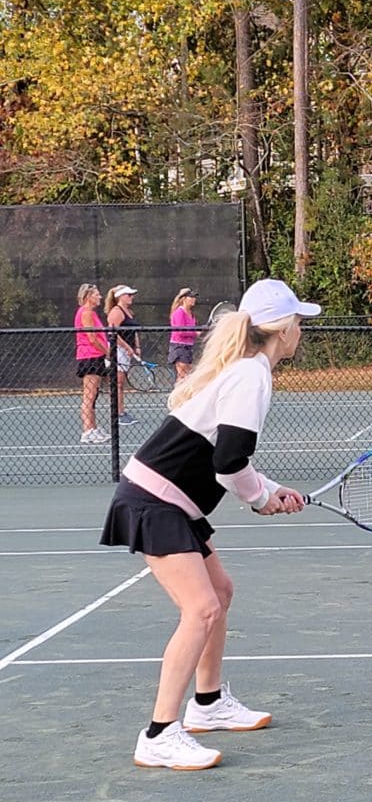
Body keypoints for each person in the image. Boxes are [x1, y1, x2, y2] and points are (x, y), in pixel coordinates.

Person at [100, 278, 321, 771]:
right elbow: (228, 463)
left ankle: (209, 703)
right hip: (154, 500)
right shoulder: (251, 375)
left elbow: (226, 456)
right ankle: (159, 734)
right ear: (283, 329)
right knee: (201, 609)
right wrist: (260, 499)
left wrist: (269, 488)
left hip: (174, 502)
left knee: (220, 592)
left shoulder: (247, 370)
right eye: (298, 322)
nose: (301, 330)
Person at [73, 282, 109, 444]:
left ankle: (93, 428)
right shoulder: (86, 313)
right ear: (88, 296)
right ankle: (87, 431)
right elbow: (92, 338)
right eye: (96, 294)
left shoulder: (91, 313)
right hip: (89, 357)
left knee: (93, 395)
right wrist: (108, 352)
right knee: (89, 396)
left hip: (96, 356)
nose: (100, 296)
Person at [104, 284, 141, 426]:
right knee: (117, 383)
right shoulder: (116, 312)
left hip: (126, 351)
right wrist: (127, 347)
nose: (132, 297)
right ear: (120, 297)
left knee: (120, 384)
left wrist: (136, 347)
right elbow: (113, 334)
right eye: (129, 295)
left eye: (132, 295)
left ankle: (121, 412)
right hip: (117, 351)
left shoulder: (129, 312)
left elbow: (134, 331)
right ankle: (118, 414)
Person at [168, 287, 199, 381]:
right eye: (191, 297)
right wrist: (195, 333)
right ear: (184, 298)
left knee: (185, 376)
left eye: (194, 297)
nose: (194, 299)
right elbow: (180, 331)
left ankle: (181, 390)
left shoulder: (192, 314)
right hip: (179, 347)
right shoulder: (179, 313)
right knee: (183, 375)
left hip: (188, 347)